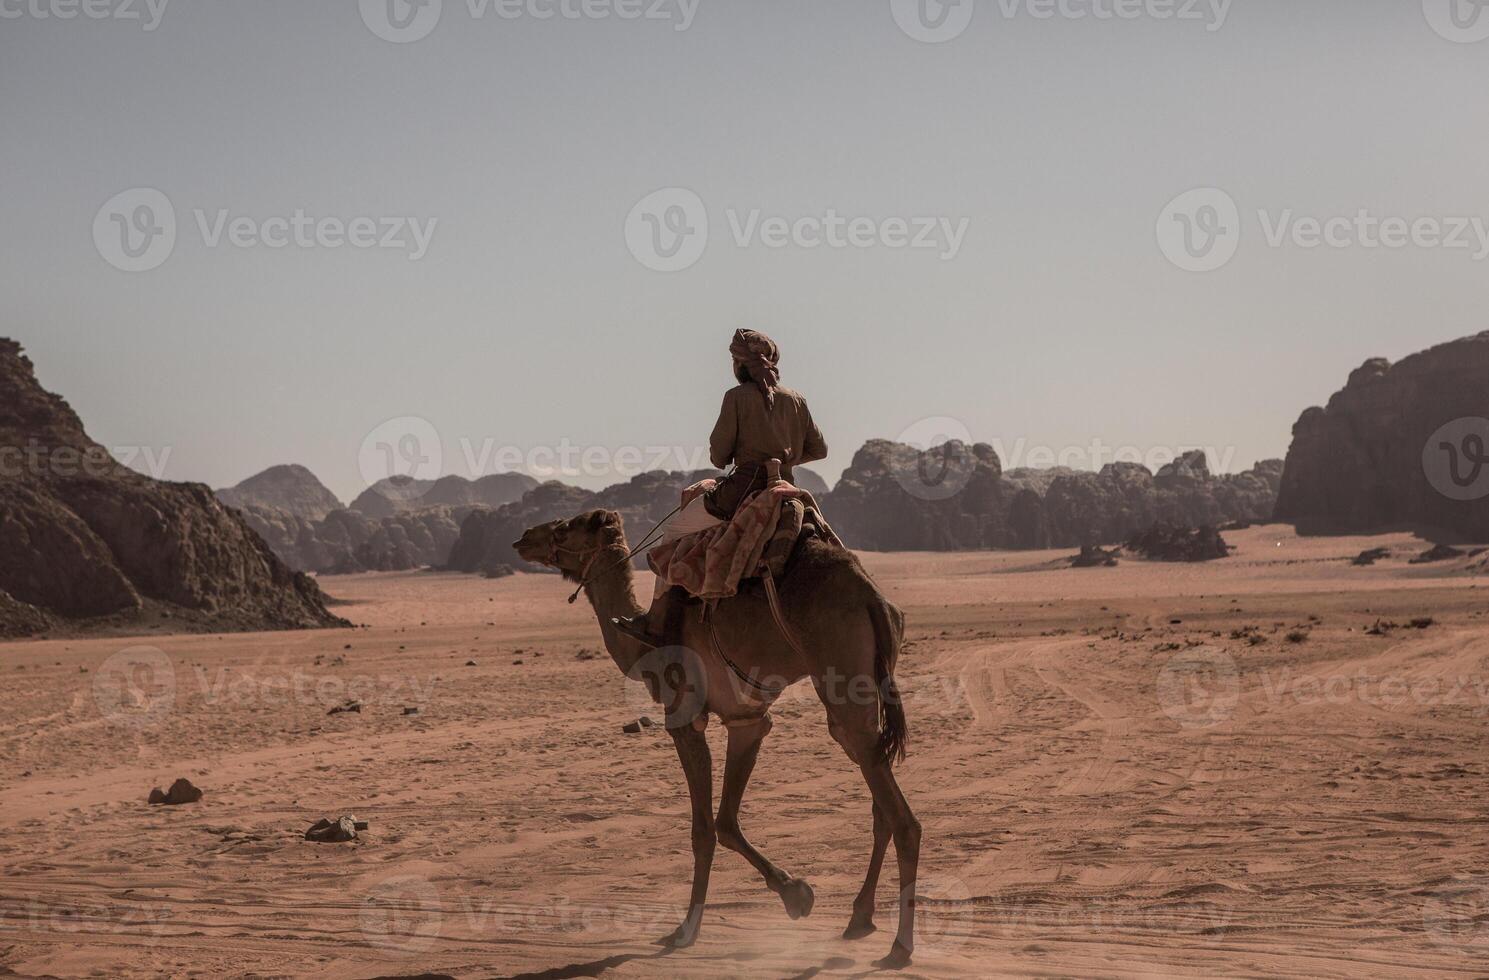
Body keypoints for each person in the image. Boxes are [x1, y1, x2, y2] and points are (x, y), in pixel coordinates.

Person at [612, 329, 827, 648]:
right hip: (788, 490)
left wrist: (749, 453)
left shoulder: (736, 397)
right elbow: (820, 450)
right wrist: (788, 458)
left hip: (741, 492)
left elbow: (718, 456)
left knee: (673, 532)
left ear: (740, 364)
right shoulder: (797, 400)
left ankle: (656, 622)